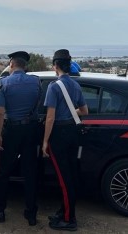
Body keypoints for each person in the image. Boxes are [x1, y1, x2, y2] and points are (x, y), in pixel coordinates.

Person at [0, 51, 42, 226]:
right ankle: (31, 214)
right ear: (25, 66)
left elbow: (0, 112)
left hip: (11, 131)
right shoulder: (36, 82)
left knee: (2, 172)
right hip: (31, 131)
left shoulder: (4, 84)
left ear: (11, 64)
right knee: (30, 172)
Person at [42, 49, 88, 231]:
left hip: (59, 135)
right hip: (72, 133)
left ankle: (69, 220)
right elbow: (84, 111)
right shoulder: (76, 86)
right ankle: (64, 211)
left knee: (63, 179)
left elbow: (50, 118)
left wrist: (45, 141)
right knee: (70, 176)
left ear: (55, 66)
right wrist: (70, 112)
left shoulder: (54, 87)